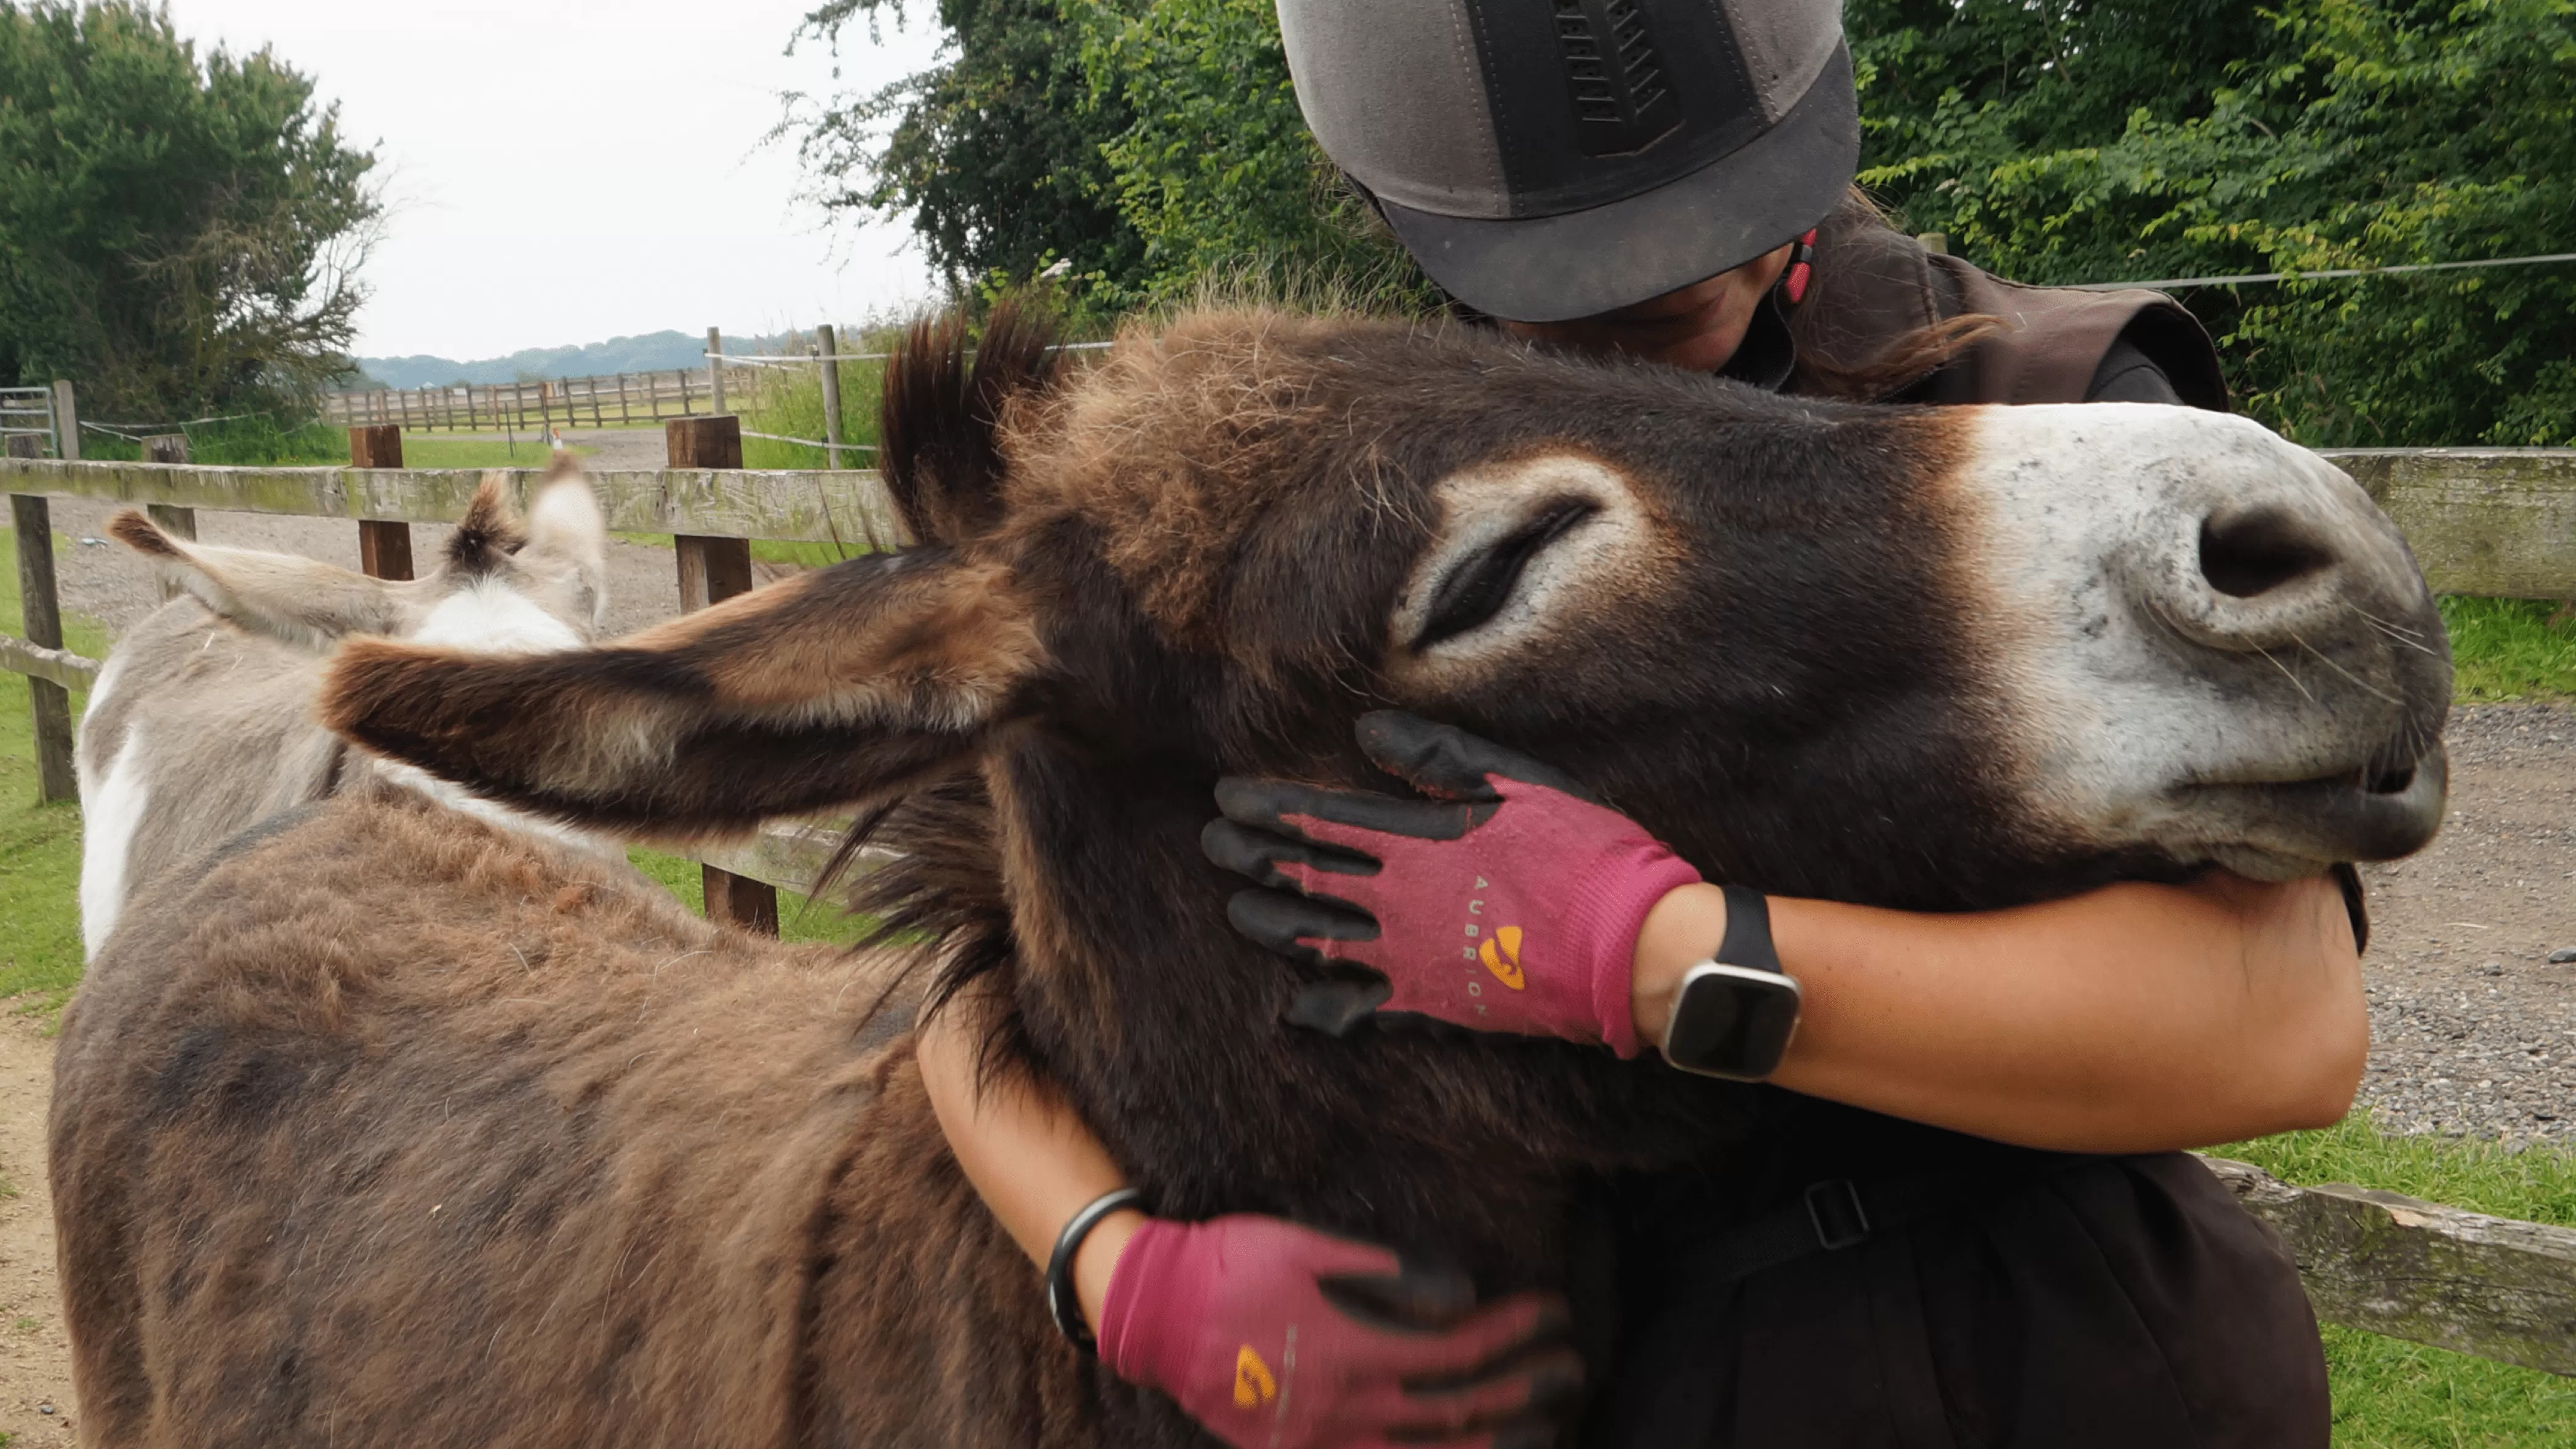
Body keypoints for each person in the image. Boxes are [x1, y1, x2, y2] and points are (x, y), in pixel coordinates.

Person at [918, 2, 2352, 1445]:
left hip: (2067, 1348)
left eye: (1709, 205)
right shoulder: (1390, 507)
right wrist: (1118, 1265)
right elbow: (1007, 962)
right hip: (1670, 1371)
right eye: (1562, 265)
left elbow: (2284, 1028)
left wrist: (1655, 955)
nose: (1659, 284)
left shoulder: (2035, 408)